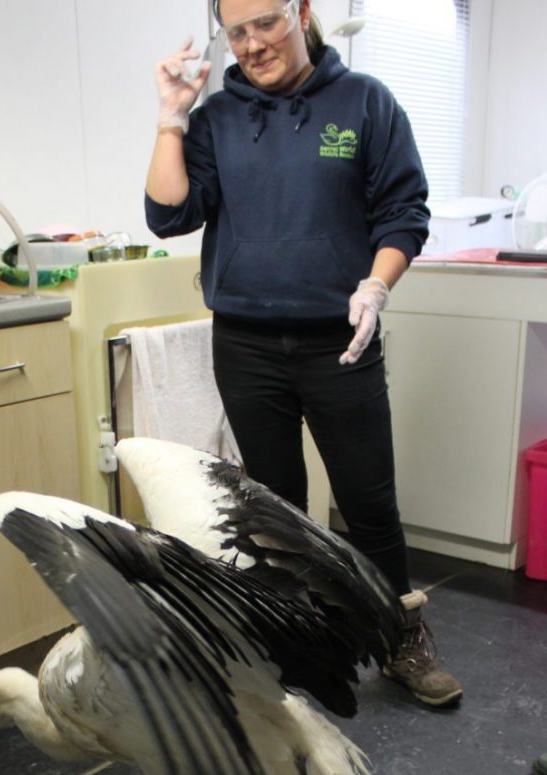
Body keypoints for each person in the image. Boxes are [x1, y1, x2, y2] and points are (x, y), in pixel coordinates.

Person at [144, 0, 462, 708]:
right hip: (246, 344)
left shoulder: (365, 103)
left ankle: (400, 640)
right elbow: (169, 214)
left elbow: (404, 212)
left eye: (267, 23)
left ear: (303, 12)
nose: (253, 44)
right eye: (237, 32)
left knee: (368, 503)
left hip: (337, 341)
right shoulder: (218, 118)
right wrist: (172, 114)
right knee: (273, 508)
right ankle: (297, 640)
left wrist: (375, 288)